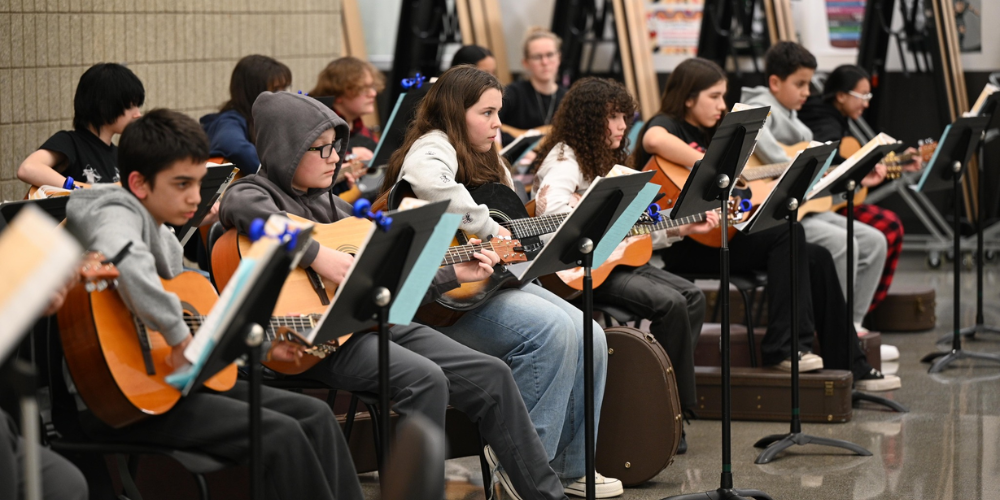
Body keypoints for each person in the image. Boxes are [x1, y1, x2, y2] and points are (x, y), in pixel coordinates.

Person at [218, 91, 567, 500]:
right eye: (322, 148)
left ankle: (546, 496)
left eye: (337, 146)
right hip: (311, 338)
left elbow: (388, 281)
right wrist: (317, 254)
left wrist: (453, 273)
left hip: (367, 324)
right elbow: (237, 205)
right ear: (286, 149)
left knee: (493, 375)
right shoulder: (255, 192)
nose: (335, 157)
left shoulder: (337, 209)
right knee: (425, 380)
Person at [64, 108, 365, 500]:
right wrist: (177, 335)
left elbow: (200, 321)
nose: (196, 198)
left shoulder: (160, 228)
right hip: (121, 396)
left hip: (179, 384)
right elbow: (126, 258)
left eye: (199, 183)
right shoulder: (112, 209)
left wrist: (260, 344)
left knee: (317, 415)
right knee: (283, 433)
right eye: (182, 184)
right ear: (137, 183)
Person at [380, 66, 623, 498]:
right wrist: (490, 228)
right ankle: (524, 469)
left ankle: (571, 467)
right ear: (456, 112)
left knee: (591, 333)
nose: (497, 124)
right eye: (487, 113)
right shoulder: (432, 146)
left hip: (490, 287)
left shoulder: (490, 156)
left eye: (499, 112)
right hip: (444, 302)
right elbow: (427, 183)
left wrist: (566, 234)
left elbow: (515, 233)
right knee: (549, 332)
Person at [632, 57, 899, 391]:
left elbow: (743, 184)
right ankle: (784, 347)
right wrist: (710, 165)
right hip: (685, 245)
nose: (722, 105)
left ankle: (850, 364)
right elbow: (652, 140)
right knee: (789, 233)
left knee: (818, 256)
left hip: (723, 235)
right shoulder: (669, 123)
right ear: (688, 97)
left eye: (723, 96)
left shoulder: (716, 131)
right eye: (714, 96)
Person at [532, 77, 719, 454]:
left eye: (624, 117)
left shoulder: (605, 157)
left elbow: (631, 231)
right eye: (613, 117)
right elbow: (550, 213)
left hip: (616, 261)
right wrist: (598, 213)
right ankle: (668, 414)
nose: (622, 127)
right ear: (587, 120)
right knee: (672, 304)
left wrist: (681, 226)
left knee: (694, 296)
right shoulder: (566, 158)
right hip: (580, 270)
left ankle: (668, 403)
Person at [740, 42, 888, 335]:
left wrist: (853, 177)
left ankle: (851, 323)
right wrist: (804, 166)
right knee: (846, 243)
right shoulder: (756, 107)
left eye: (809, 83)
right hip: (775, 214)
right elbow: (771, 152)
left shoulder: (797, 121)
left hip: (803, 207)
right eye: (800, 84)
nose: (808, 92)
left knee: (875, 241)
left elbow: (812, 183)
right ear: (774, 82)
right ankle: (833, 331)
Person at [798, 64, 916, 322]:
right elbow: (836, 165)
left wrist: (899, 165)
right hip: (820, 204)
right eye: (862, 96)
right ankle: (853, 315)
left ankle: (856, 316)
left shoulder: (835, 118)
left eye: (869, 97)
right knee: (889, 226)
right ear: (841, 95)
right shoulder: (823, 120)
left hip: (831, 203)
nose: (866, 103)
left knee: (884, 231)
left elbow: (860, 169)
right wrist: (883, 168)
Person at [17, 63, 144, 188]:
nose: (138, 114)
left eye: (138, 106)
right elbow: (28, 168)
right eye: (131, 106)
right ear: (104, 106)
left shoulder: (119, 156)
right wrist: (88, 190)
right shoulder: (70, 142)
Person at [200, 54, 291, 176]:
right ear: (253, 90)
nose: (282, 95)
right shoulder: (230, 120)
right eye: (275, 89)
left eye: (285, 88)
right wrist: (271, 177)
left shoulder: (271, 119)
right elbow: (231, 144)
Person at [499, 28, 568, 145]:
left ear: (559, 58)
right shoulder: (511, 94)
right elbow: (493, 129)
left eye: (550, 55)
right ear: (526, 63)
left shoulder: (568, 98)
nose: (545, 62)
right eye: (537, 57)